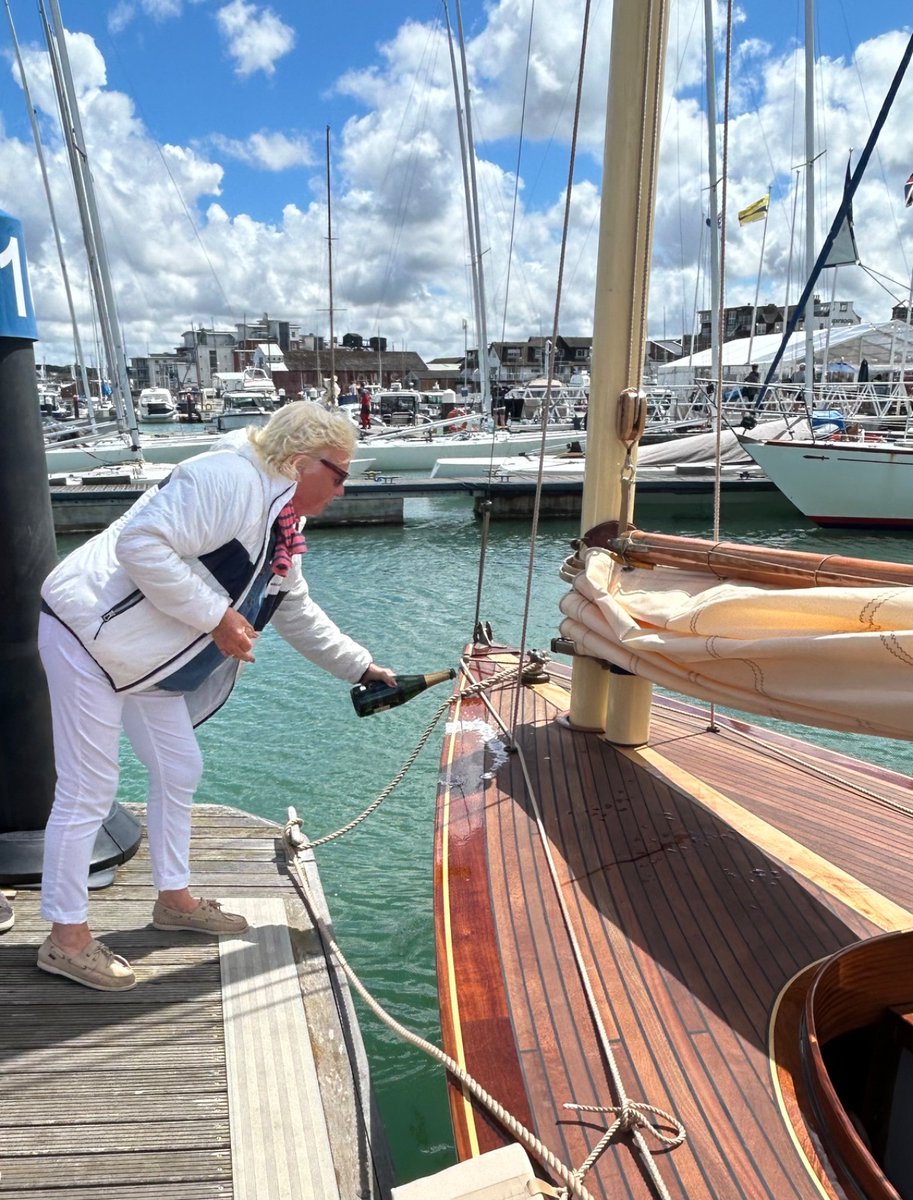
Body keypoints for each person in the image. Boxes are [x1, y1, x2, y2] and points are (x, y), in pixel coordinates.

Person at [36, 404, 396, 992]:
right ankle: (66, 939)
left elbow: (294, 609)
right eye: (340, 474)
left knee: (179, 767)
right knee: (87, 790)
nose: (343, 489)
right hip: (86, 634)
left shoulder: (281, 518)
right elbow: (140, 544)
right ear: (302, 462)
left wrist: (360, 665)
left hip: (138, 655)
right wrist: (215, 618)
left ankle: (174, 901)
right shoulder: (228, 479)